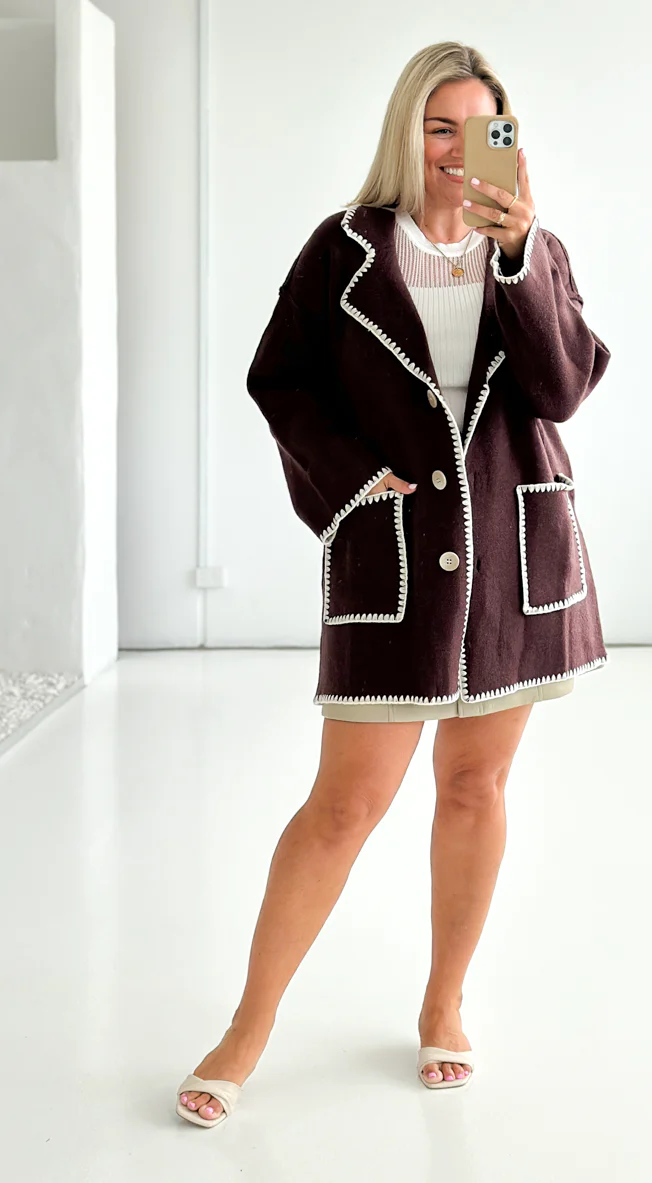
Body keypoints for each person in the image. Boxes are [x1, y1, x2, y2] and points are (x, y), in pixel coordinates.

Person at [176, 40, 610, 1127]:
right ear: (405, 134)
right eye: (438, 127)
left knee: (474, 787)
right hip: (395, 552)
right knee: (342, 806)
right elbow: (277, 378)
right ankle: (247, 1026)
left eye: (481, 128)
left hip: (513, 551)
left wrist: (517, 260)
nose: (459, 149)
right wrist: (349, 480)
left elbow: (561, 387)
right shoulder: (344, 249)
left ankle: (443, 1000)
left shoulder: (535, 250)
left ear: (507, 140)